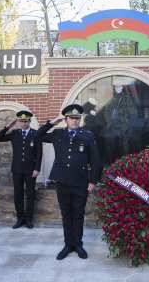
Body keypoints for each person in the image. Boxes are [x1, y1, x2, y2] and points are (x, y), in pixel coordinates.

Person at [34, 104, 100, 260]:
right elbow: (36, 136)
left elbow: (95, 160)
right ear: (66, 119)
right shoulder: (57, 134)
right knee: (66, 213)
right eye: (72, 118)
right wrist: (51, 123)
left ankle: (78, 244)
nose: (75, 121)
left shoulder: (87, 136)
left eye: (77, 118)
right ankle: (68, 244)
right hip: (62, 181)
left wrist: (93, 181)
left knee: (78, 213)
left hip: (81, 181)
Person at [0, 110, 42, 229]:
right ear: (19, 122)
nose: (23, 123)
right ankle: (20, 219)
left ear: (29, 121)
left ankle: (29, 219)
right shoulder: (15, 133)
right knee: (18, 194)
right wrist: (7, 127)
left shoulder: (35, 133)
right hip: (17, 169)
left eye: (26, 121)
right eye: (21, 121)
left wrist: (37, 169)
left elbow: (39, 153)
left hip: (31, 169)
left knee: (30, 195)